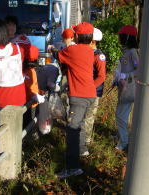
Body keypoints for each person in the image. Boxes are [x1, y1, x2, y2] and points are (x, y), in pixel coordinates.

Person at [50, 22, 96, 178]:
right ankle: (82, 150)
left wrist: (52, 50)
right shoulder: (90, 51)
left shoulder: (73, 50)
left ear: (77, 36)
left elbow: (59, 56)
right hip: (90, 95)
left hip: (79, 96)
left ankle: (72, 168)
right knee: (79, 126)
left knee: (71, 131)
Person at [81, 27, 106, 156]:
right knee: (83, 116)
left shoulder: (99, 56)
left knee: (89, 117)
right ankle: (82, 140)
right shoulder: (88, 53)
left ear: (93, 42)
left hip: (94, 92)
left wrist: (91, 87)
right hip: (85, 91)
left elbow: (101, 76)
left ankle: (86, 141)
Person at [114, 25, 139, 151]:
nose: (119, 37)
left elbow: (139, 69)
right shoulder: (127, 51)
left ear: (127, 37)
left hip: (129, 89)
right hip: (124, 88)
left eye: (121, 35)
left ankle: (124, 142)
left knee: (120, 115)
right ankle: (123, 137)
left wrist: (126, 75)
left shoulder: (133, 52)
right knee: (122, 115)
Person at [23, 45, 45, 128]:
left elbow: (33, 85)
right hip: (29, 103)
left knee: (29, 122)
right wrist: (35, 95)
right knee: (28, 123)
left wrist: (39, 91)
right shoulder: (29, 71)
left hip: (30, 101)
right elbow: (29, 87)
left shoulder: (28, 70)